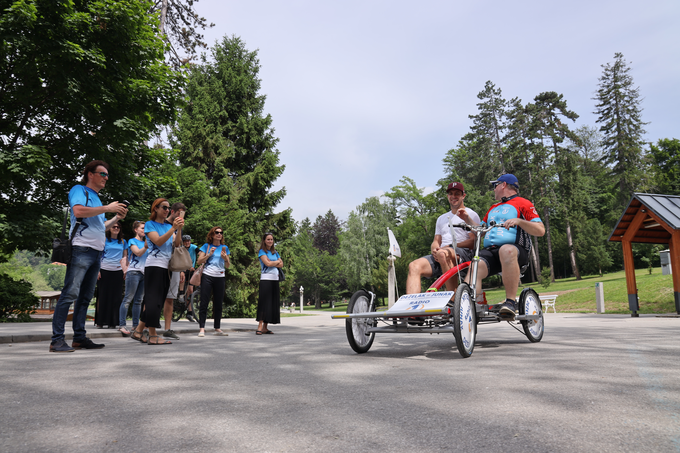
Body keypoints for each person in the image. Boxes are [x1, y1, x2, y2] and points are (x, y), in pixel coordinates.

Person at [49, 160, 128, 352]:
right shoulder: (79, 190)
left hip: (96, 253)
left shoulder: (98, 199)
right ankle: (57, 340)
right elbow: (78, 211)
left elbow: (100, 227)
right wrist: (108, 208)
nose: (106, 178)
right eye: (102, 174)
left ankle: (79, 337)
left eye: (107, 175)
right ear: (90, 174)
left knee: (85, 298)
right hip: (81, 249)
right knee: (69, 294)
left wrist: (116, 218)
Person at [457, 174, 545, 320]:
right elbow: (481, 230)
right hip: (492, 252)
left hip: (516, 251)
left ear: (503, 185)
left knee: (506, 249)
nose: (493, 189)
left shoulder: (523, 203)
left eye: (495, 186)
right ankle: (466, 305)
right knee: (475, 263)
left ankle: (510, 302)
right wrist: (466, 219)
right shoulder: (494, 208)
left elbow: (540, 230)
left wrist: (519, 221)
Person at [406, 182, 480, 293]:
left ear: (463, 196)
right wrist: (435, 249)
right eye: (450, 193)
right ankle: (411, 307)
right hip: (442, 254)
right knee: (414, 266)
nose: (453, 196)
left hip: (463, 254)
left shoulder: (470, 214)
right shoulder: (441, 218)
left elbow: (473, 242)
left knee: (442, 254)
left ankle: (453, 298)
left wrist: (449, 246)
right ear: (447, 196)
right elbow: (436, 241)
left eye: (457, 194)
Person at [130, 198, 183, 345]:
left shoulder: (168, 226)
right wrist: (173, 228)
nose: (167, 210)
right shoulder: (149, 225)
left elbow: (176, 244)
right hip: (154, 266)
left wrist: (177, 229)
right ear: (156, 209)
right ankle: (153, 335)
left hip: (166, 268)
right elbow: (158, 241)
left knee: (158, 301)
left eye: (168, 208)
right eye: (164, 207)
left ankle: (139, 331)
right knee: (153, 301)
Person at [195, 227, 230, 337]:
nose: (219, 234)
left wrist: (225, 259)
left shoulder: (225, 248)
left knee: (218, 303)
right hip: (208, 276)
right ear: (212, 234)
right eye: (217, 232)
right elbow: (199, 261)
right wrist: (209, 254)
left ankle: (217, 328)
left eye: (221, 233)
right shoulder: (206, 246)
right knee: (204, 302)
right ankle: (202, 328)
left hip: (220, 276)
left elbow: (228, 266)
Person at [94, 220, 128, 329]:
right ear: (109, 228)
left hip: (118, 271)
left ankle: (113, 322)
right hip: (104, 270)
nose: (116, 228)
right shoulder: (104, 240)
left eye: (118, 227)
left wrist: (125, 271)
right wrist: (97, 270)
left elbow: (125, 257)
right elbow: (98, 256)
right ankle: (100, 321)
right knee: (102, 295)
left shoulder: (123, 242)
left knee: (116, 297)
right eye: (114, 226)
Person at [118, 221, 148, 336]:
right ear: (136, 230)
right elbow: (138, 253)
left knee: (139, 301)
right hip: (134, 272)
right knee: (128, 298)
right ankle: (122, 325)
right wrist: (146, 246)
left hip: (144, 274)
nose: (144, 230)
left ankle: (135, 325)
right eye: (142, 228)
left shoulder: (148, 243)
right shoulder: (132, 241)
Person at [162, 202, 186, 340]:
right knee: (155, 296)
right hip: (160, 263)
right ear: (172, 212)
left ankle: (168, 328)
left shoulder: (179, 228)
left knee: (170, 297)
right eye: (178, 213)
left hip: (174, 265)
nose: (180, 216)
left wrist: (180, 229)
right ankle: (146, 327)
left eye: (182, 214)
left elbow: (178, 245)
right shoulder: (162, 223)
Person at [256, 233, 282, 335]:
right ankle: (259, 326)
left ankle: (265, 328)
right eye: (268, 239)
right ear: (264, 240)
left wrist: (273, 262)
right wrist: (276, 262)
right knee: (264, 303)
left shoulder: (275, 252)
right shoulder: (262, 252)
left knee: (271, 304)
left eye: (271, 239)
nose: (270, 241)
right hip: (266, 280)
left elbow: (282, 264)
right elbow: (267, 264)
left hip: (275, 280)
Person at [181, 234, 198, 322]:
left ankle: (189, 313)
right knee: (182, 278)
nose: (187, 243)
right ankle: (180, 294)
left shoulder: (194, 247)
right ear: (183, 242)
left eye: (188, 241)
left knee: (190, 291)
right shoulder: (181, 249)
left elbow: (200, 252)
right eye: (185, 241)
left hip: (191, 270)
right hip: (183, 269)